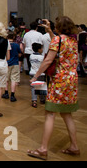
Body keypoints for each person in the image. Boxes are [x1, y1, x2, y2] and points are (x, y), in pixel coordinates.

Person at [28, 16, 80, 160]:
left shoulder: (58, 39)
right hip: (72, 80)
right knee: (67, 113)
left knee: (50, 113)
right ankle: (74, 146)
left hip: (60, 81)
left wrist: (36, 76)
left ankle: (43, 149)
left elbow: (48, 60)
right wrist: (50, 31)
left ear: (59, 27)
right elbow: (59, 43)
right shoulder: (73, 40)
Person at [2, 32, 22, 102]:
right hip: (15, 63)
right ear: (13, 37)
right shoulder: (16, 45)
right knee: (14, 79)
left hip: (6, 64)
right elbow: (20, 54)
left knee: (6, 79)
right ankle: (12, 95)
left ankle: (6, 93)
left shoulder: (4, 45)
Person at [29, 43, 46, 107]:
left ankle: (34, 101)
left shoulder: (31, 56)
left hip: (32, 73)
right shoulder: (42, 57)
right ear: (39, 49)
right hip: (41, 73)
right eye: (41, 48)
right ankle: (42, 99)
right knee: (41, 87)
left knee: (33, 87)